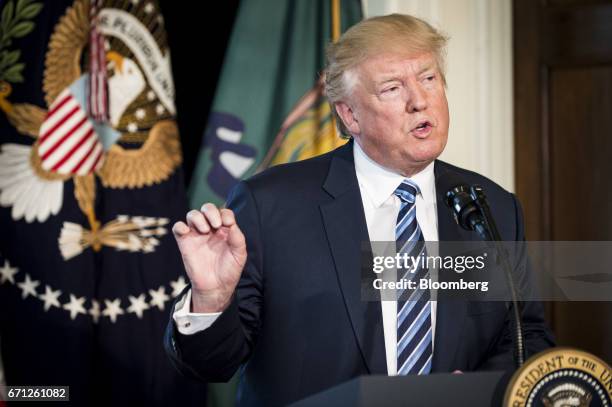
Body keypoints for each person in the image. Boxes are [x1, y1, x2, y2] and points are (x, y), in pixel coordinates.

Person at [164, 14, 554, 406]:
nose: (419, 100)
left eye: (428, 78)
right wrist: (211, 301)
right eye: (392, 88)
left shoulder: (491, 207)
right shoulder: (271, 205)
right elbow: (212, 365)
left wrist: (470, 389)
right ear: (350, 115)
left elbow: (524, 338)